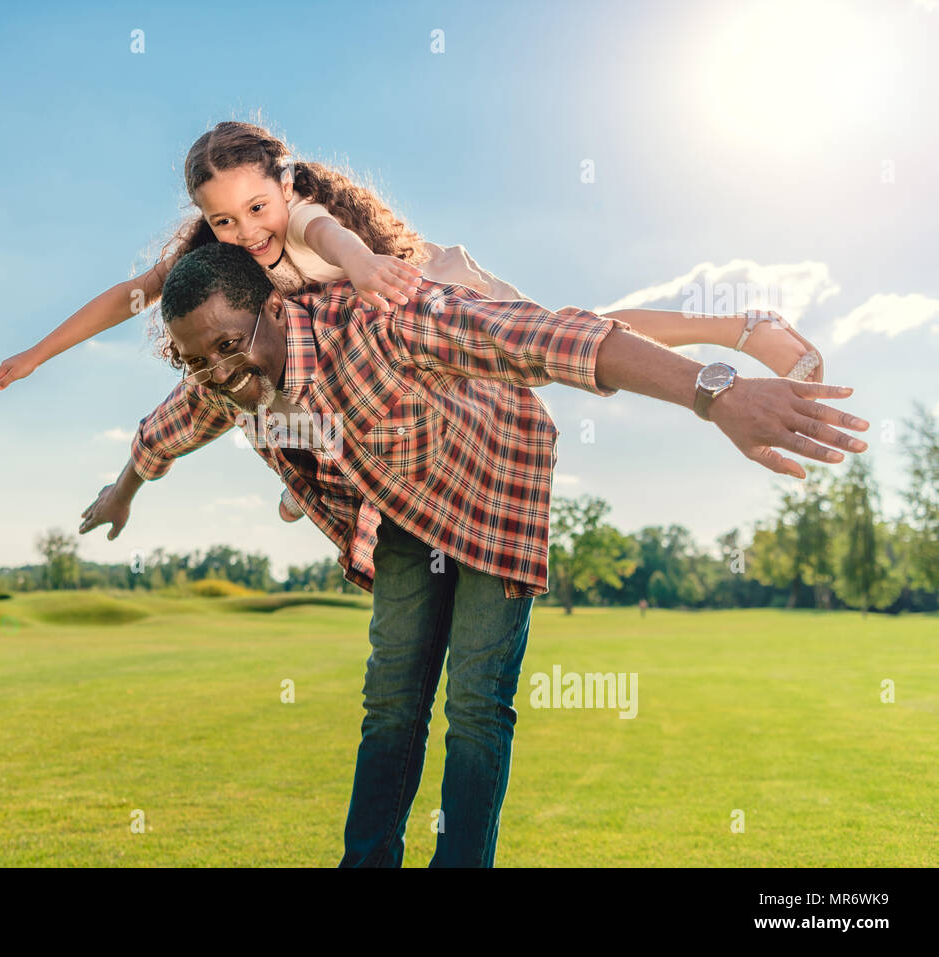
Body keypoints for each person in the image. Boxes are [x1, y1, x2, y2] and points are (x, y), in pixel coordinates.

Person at [77, 242, 869, 866]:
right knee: (390, 703)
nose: (220, 372)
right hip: (400, 511)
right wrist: (121, 492)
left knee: (475, 709)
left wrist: (716, 392)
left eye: (226, 345)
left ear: (275, 312)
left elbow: (556, 338)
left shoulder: (383, 320)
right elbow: (162, 431)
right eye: (197, 360)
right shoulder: (218, 378)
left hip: (492, 485)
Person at [0, 121, 825, 522]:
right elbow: (129, 297)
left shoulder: (308, 217)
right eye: (225, 220)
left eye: (256, 206)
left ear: (286, 182)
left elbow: (334, 240)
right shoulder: (224, 254)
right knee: (266, 385)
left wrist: (366, 269)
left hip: (418, 296)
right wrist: (35, 355)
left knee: (574, 334)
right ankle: (312, 480)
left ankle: (736, 327)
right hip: (356, 356)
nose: (247, 230)